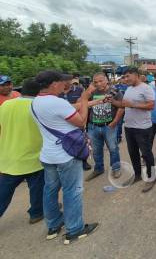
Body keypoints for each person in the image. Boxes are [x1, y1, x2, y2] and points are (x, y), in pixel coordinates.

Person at [32, 71, 98, 244]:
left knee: (50, 190)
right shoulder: (57, 102)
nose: (65, 85)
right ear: (54, 84)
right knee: (72, 191)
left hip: (48, 155)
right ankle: (75, 229)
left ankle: (53, 225)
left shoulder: (35, 102)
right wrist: (84, 98)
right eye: (62, 82)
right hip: (66, 155)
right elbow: (82, 121)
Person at [0, 78, 44, 224]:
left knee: (3, 193)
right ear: (39, 92)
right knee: (37, 187)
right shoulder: (37, 106)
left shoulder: (6, 105)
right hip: (32, 157)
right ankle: (36, 213)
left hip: (8, 157)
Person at [111, 67, 156, 192]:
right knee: (133, 153)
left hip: (142, 128)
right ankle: (137, 175)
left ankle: (152, 177)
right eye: (124, 77)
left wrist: (132, 105)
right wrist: (112, 101)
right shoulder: (129, 89)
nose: (125, 79)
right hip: (129, 127)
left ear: (136, 75)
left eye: (128, 76)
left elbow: (151, 105)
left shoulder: (146, 88)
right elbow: (124, 105)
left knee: (146, 154)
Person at [84, 73, 124, 181]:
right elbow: (82, 104)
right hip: (93, 126)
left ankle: (116, 168)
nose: (98, 84)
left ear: (106, 80)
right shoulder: (91, 92)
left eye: (100, 81)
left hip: (109, 126)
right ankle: (98, 168)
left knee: (113, 148)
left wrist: (115, 122)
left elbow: (121, 107)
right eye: (95, 82)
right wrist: (88, 91)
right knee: (96, 150)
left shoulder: (114, 91)